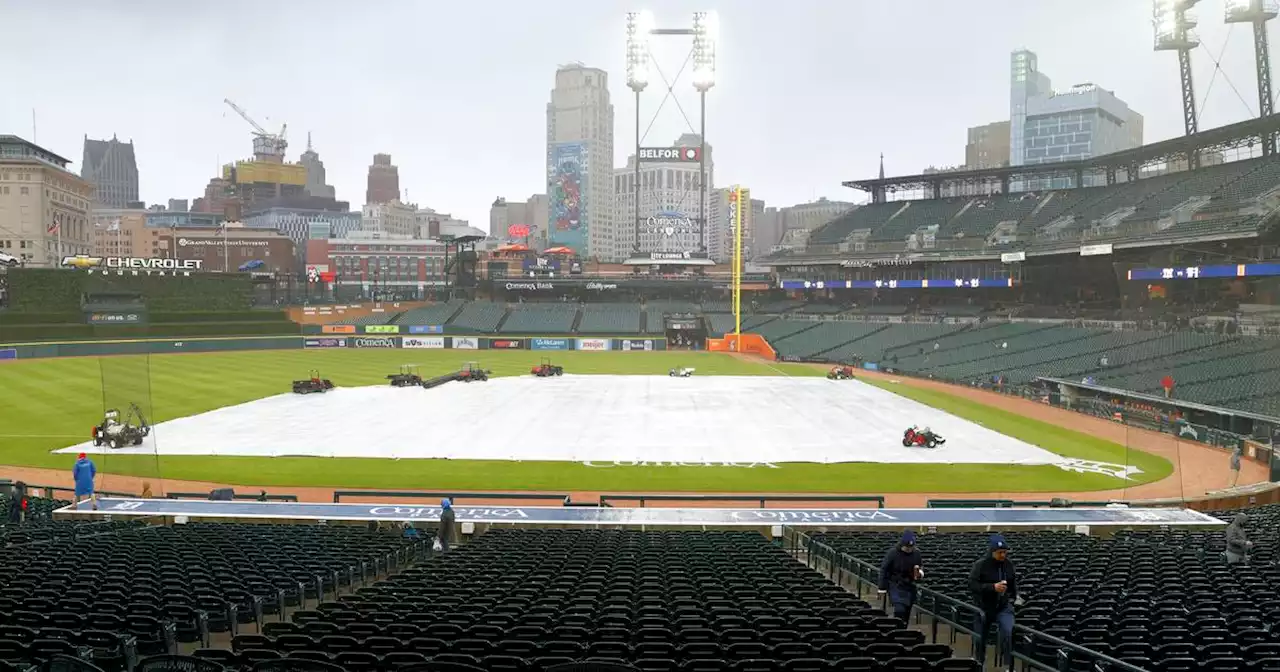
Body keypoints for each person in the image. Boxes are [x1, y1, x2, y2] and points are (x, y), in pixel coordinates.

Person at [970, 533, 1017, 666]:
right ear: (992, 552)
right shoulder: (980, 565)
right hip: (983, 607)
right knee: (980, 639)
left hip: (1003, 607)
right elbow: (973, 585)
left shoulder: (1008, 565)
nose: (1003, 555)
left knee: (1008, 632)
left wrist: (1011, 599)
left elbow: (1013, 585)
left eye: (1004, 552)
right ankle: (980, 663)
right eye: (1000, 552)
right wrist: (992, 587)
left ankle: (1008, 665)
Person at [878, 530, 924, 622]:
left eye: (911, 547)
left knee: (907, 611)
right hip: (896, 584)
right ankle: (897, 628)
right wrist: (882, 588)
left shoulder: (917, 553)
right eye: (907, 547)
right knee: (900, 609)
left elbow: (920, 567)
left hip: (910, 586)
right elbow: (884, 569)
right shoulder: (893, 553)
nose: (909, 549)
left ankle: (903, 630)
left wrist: (920, 574)